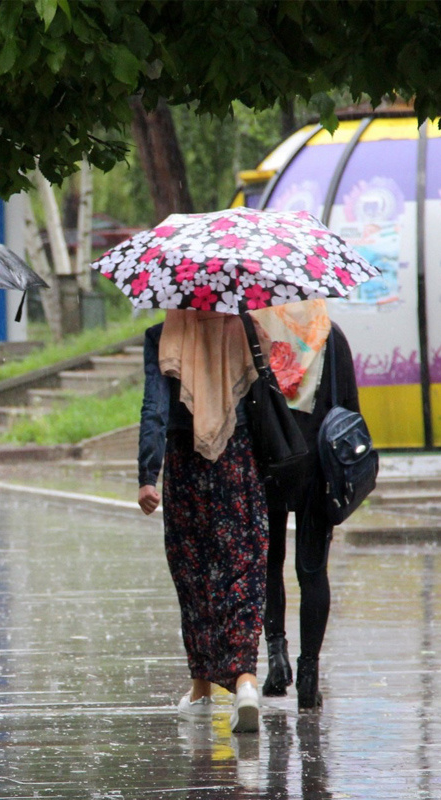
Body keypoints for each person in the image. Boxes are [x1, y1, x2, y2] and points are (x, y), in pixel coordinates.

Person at [137, 308, 268, 734]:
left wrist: (147, 475)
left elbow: (153, 407)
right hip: (238, 460)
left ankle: (201, 692)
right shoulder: (245, 328)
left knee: (194, 574)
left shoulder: (163, 335)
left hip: (184, 463)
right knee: (242, 569)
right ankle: (246, 682)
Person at [252, 300, 359, 711]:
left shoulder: (255, 333)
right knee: (312, 571)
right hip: (317, 466)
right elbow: (349, 411)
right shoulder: (332, 337)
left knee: (268, 563)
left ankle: (277, 661)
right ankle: (309, 676)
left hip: (268, 462)